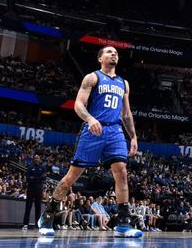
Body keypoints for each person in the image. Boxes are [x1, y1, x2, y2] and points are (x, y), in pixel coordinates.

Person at [37, 46, 142, 238]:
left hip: (115, 131)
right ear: (100, 58)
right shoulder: (92, 77)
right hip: (93, 130)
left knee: (122, 173)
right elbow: (78, 104)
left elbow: (126, 113)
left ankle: (123, 222)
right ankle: (48, 214)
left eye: (116, 53)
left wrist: (133, 136)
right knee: (71, 177)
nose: (114, 54)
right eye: (109, 52)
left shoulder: (123, 83)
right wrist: (90, 119)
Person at [22, 154, 47, 231]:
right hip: (31, 189)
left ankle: (38, 224)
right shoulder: (30, 167)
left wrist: (34, 178)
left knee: (38, 208)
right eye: (35, 158)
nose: (36, 159)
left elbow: (44, 177)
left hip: (39, 190)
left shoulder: (42, 167)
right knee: (28, 207)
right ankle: (25, 224)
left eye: (37, 158)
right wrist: (38, 178)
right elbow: (28, 178)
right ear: (33, 159)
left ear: (39, 159)